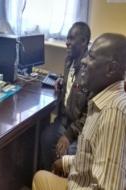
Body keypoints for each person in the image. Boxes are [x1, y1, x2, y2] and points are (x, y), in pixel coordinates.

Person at [33, 33, 126, 190]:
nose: (84, 60)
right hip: (80, 176)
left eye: (91, 56)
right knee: (41, 174)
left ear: (111, 69)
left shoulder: (113, 112)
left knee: (40, 177)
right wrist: (65, 162)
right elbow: (91, 157)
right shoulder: (103, 98)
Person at [40, 22, 91, 170]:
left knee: (66, 152)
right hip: (64, 119)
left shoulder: (90, 70)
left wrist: (68, 135)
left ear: (83, 42)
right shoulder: (70, 59)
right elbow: (72, 82)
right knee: (46, 137)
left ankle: (62, 180)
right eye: (67, 38)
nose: (67, 42)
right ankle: (49, 174)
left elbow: (88, 113)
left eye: (71, 39)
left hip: (79, 128)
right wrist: (62, 80)